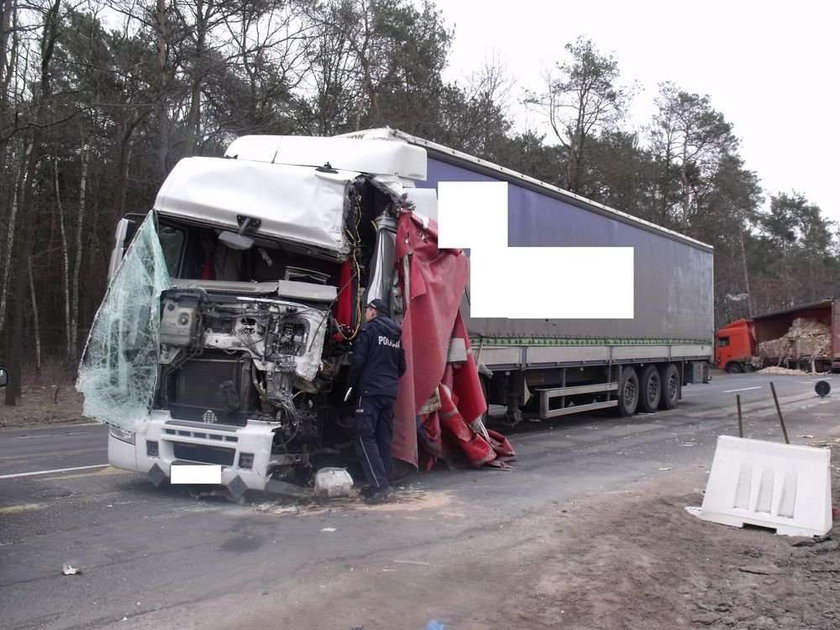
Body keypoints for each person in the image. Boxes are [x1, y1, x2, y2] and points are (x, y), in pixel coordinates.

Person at [346, 298, 406, 504]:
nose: (365, 313)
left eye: (367, 309)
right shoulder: (396, 334)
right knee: (383, 438)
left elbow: (358, 362)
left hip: (369, 392)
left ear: (374, 311)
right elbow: (402, 367)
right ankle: (384, 482)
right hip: (388, 393)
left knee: (364, 437)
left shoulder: (369, 330)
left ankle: (379, 487)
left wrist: (350, 386)